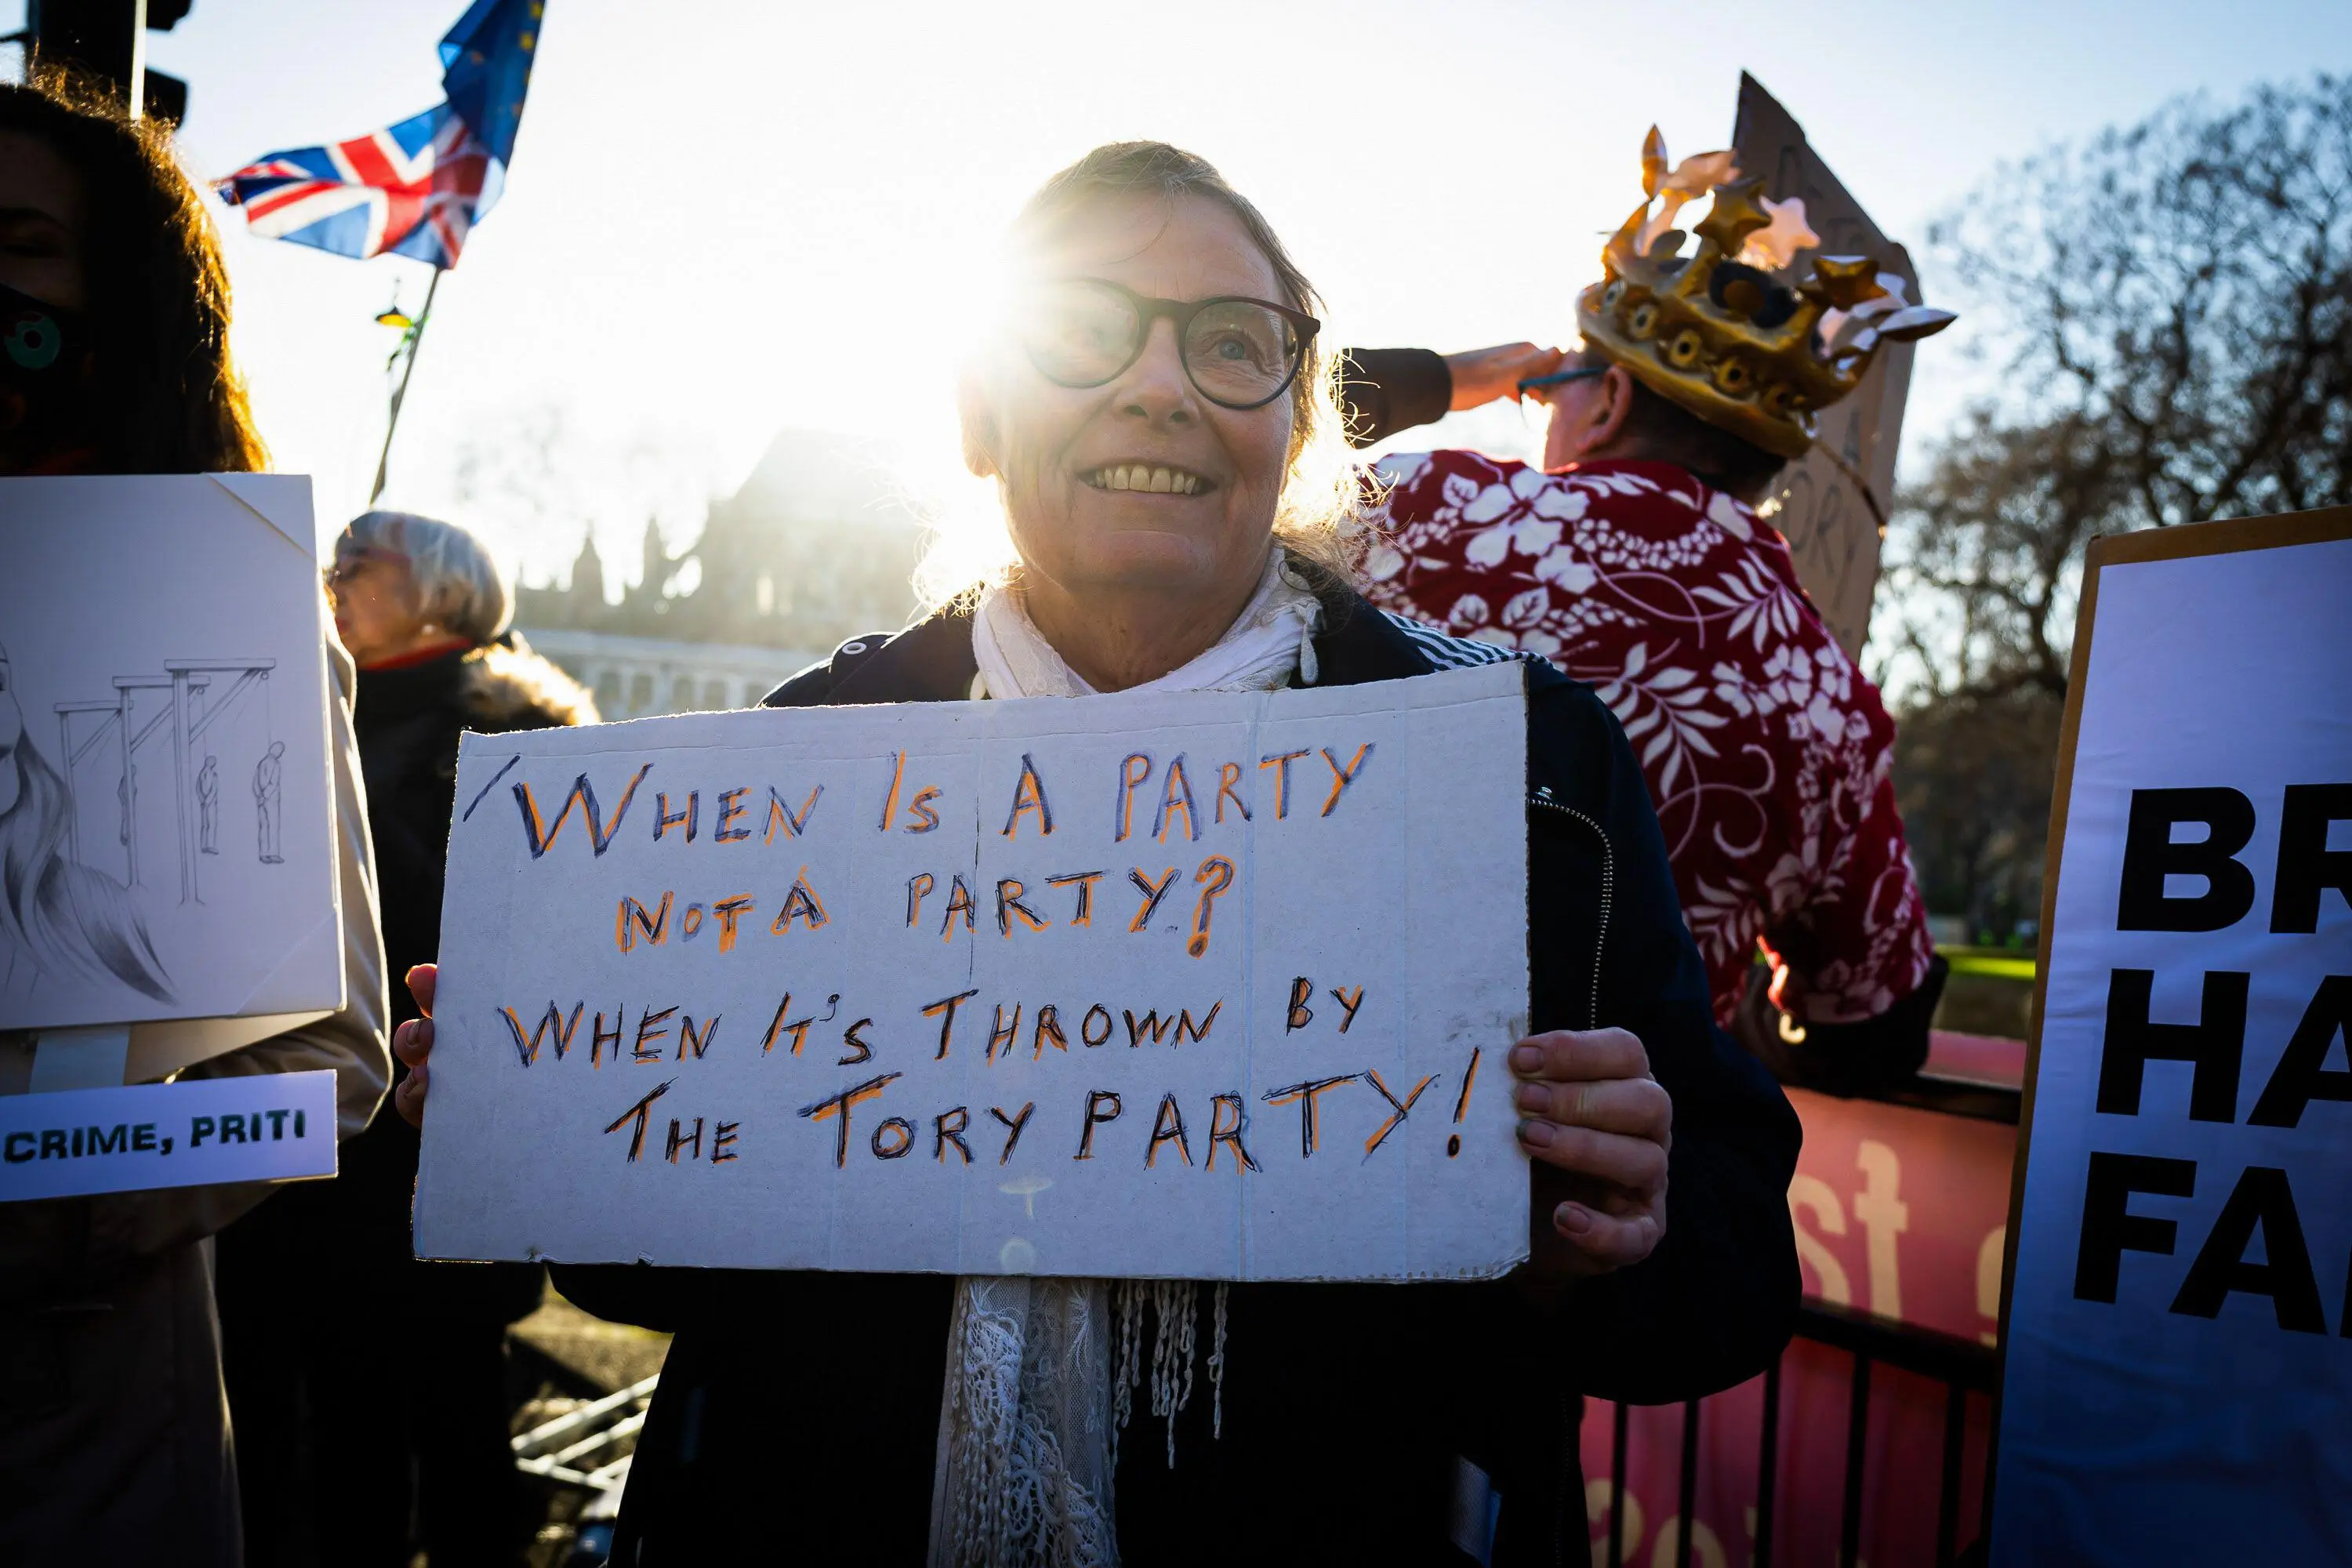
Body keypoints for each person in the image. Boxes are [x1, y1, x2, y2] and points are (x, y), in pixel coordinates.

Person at [394, 140, 1800, 1566]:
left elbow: (1735, 1270)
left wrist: (1619, 1229)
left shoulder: (1523, 768)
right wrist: (545, 1118)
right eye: (1080, 331)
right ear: (980, 415)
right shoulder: (802, 761)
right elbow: (649, 1273)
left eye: (1234, 343)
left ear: (1296, 422)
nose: (1159, 385)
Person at [1341, 129, 1954, 1096]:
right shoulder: (1826, 694)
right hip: (1613, 1195)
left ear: (1610, 397)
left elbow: (1233, 440)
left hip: (1322, 1101)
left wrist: (1448, 378)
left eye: (1545, 393)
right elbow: (1870, 1026)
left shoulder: (1424, 515)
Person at [0, 73, 388, 1567]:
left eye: (20, 241)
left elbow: (322, 1067)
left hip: (64, 1437)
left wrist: (46, 1215)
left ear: (119, 296)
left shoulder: (211, 602)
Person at [216, 510, 595, 1568]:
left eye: (358, 564)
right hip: (290, 1129)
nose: (328, 578)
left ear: (440, 590)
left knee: (452, 1410)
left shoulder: (510, 735)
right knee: (323, 1428)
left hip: (428, 1135)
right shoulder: (290, 713)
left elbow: (541, 938)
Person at [252, 739, 284, 863]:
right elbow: (273, 783)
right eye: (281, 751)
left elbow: (255, 783)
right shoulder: (276, 764)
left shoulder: (261, 763)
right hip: (271, 799)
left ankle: (263, 854)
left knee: (263, 826)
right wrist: (264, 796)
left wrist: (259, 796)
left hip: (260, 800)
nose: (281, 754)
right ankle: (273, 854)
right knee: (273, 825)